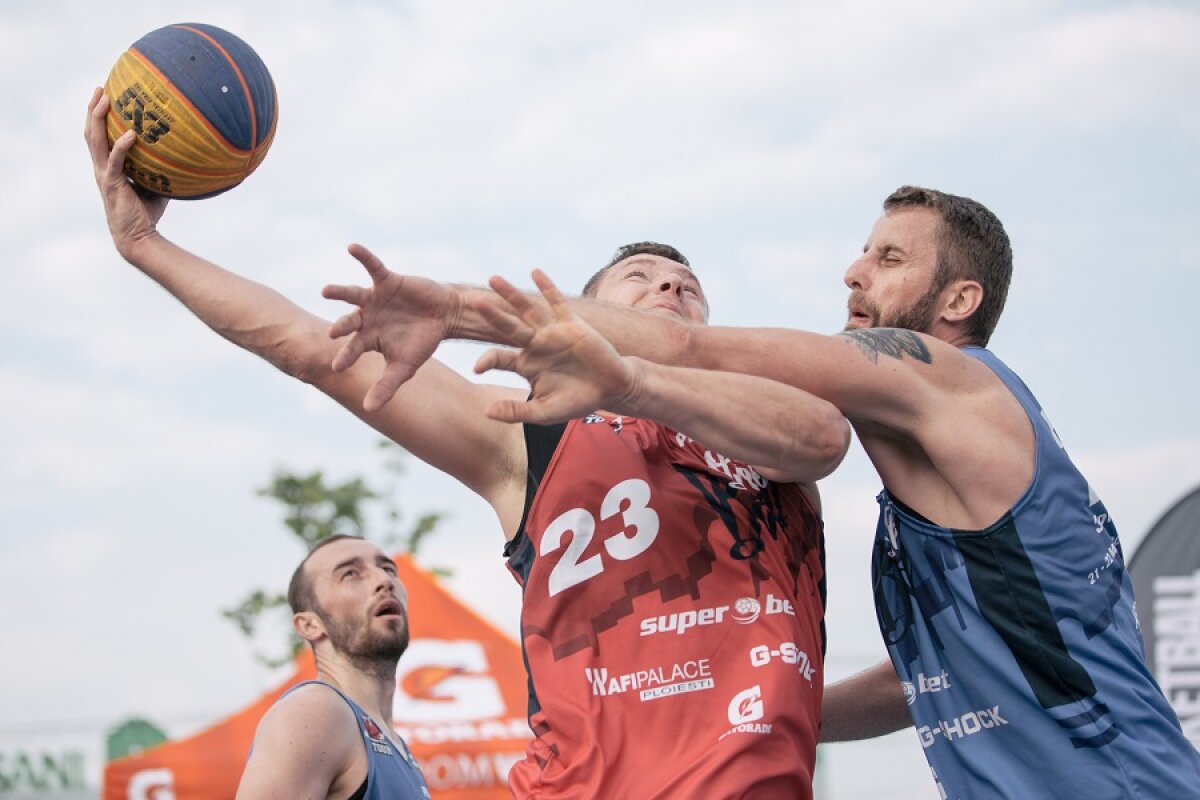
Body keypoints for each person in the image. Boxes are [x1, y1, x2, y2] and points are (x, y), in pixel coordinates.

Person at [85, 88, 851, 799]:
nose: (669, 289)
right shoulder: (530, 435)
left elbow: (820, 438)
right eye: (640, 278)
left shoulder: (765, 424)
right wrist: (146, 244)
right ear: (581, 317)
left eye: (688, 286)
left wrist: (635, 380)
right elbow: (312, 347)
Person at [327, 185, 1200, 799]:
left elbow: (701, 353)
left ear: (958, 300)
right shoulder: (936, 488)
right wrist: (741, 710)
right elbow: (933, 677)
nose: (855, 273)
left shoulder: (946, 373)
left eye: (888, 257)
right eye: (859, 253)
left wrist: (453, 305)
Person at [237, 535, 430, 799]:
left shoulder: (398, 747)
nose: (384, 581)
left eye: (388, 569)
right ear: (310, 625)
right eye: (351, 574)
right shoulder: (314, 711)